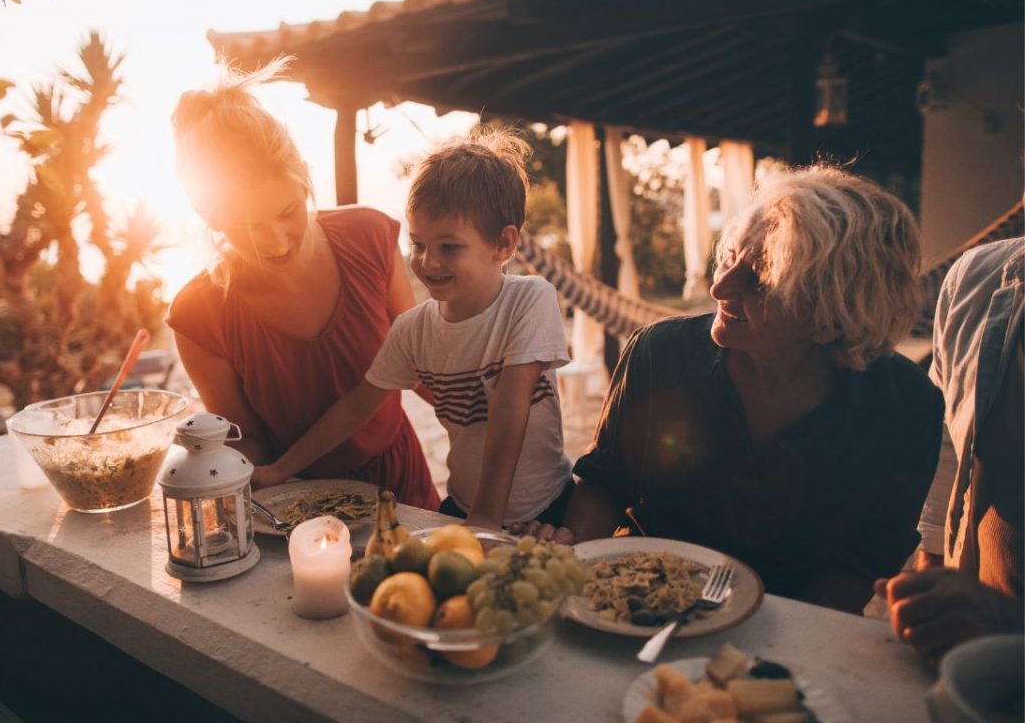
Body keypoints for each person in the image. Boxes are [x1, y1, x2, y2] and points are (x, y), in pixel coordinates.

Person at [519, 166, 943, 613]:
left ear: (832, 315)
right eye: (730, 257)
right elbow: (605, 483)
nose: (719, 286)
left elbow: (860, 568)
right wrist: (573, 578)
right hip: (641, 601)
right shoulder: (662, 354)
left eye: (759, 278)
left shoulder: (903, 408)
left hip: (793, 626)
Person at [253, 131, 572, 531]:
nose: (427, 262)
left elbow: (511, 406)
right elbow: (357, 407)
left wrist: (488, 518)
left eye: (449, 247)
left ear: (503, 244)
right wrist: (281, 469)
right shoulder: (413, 330)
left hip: (546, 508)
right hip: (464, 508)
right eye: (418, 244)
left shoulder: (529, 300)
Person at [166, 60, 440, 510]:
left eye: (287, 211)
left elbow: (420, 366)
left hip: (404, 487)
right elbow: (247, 441)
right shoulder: (200, 313)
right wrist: (220, 465)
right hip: (293, 508)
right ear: (209, 217)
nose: (274, 242)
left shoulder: (370, 236)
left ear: (304, 174)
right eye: (245, 228)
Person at [876, 236, 1023, 660]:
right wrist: (932, 561)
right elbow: (949, 443)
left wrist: (1009, 622)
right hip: (961, 660)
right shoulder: (976, 277)